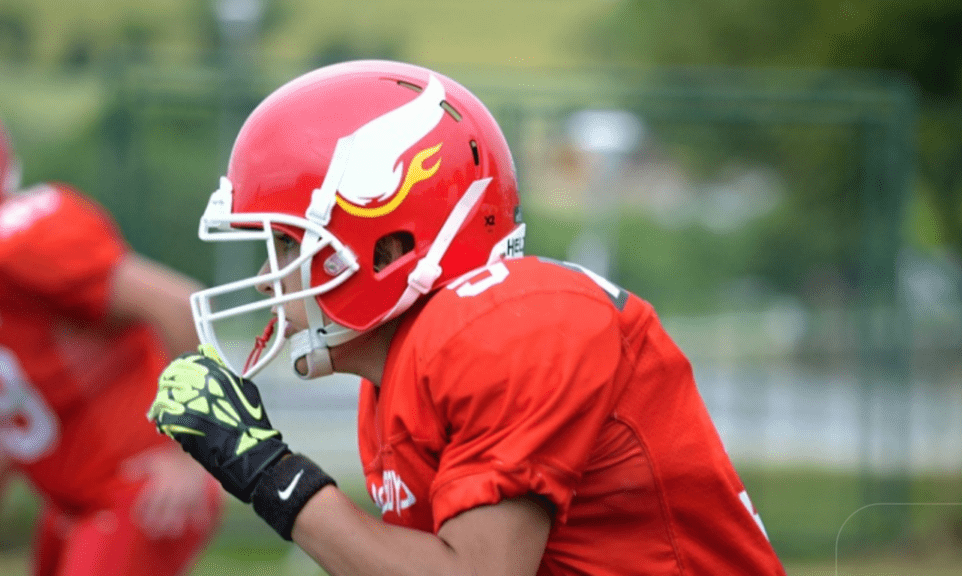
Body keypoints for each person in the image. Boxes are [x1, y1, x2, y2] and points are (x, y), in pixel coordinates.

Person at [148, 60, 788, 575]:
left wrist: (268, 472)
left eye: (289, 244)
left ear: (389, 247)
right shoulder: (397, 380)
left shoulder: (511, 323)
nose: (267, 275)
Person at [0, 91, 223, 575]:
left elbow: (178, 305)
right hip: (75, 502)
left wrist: (196, 454)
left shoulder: (19, 240)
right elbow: (10, 401)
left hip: (138, 490)